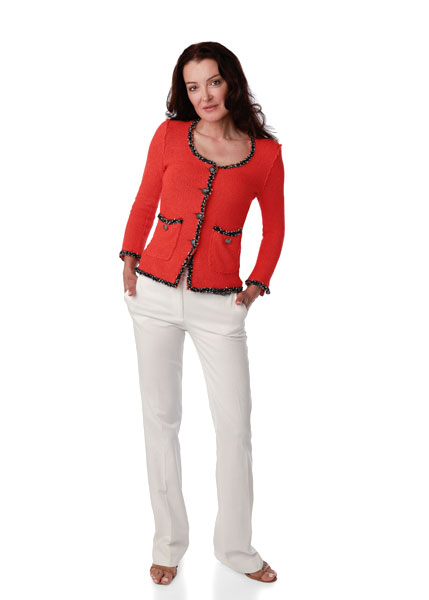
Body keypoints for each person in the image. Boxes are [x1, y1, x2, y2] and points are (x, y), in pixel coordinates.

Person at [120, 41, 285, 585]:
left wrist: (257, 283)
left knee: (235, 428)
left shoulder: (266, 154)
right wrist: (129, 257)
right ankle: (168, 543)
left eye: (213, 82)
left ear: (231, 81)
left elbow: (276, 227)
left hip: (221, 305)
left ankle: (235, 548)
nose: (204, 96)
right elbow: (145, 200)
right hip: (154, 295)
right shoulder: (169, 136)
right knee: (160, 420)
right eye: (193, 87)